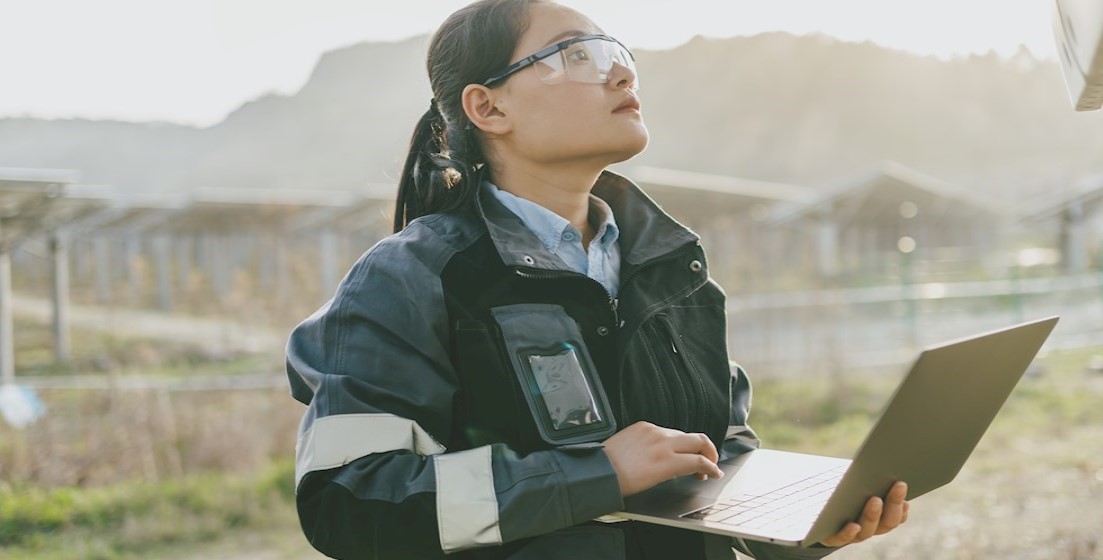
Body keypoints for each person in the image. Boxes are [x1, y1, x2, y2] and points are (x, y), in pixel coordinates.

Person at [284, 1, 910, 558]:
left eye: (616, 52)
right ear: (488, 106)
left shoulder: (670, 267)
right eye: (576, 55)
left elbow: (720, 453)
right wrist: (598, 473)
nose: (622, 72)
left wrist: (808, 527)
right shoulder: (412, 277)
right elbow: (349, 501)